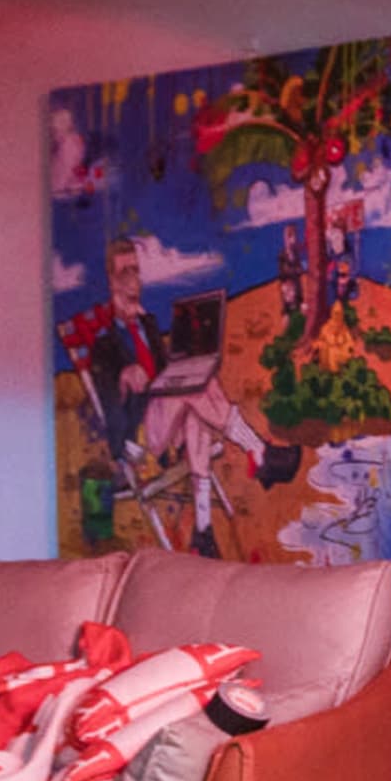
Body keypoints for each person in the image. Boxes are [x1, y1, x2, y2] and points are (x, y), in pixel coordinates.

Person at [59, 233, 295, 553]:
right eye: (124, 272)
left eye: (136, 271)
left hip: (167, 431)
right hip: (137, 443)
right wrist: (122, 378)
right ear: (112, 281)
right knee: (192, 388)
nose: (133, 280)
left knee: (196, 393)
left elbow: (166, 374)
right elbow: (111, 408)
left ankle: (203, 529)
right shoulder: (105, 344)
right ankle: (260, 452)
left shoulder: (150, 324)